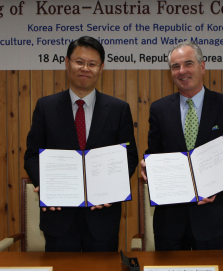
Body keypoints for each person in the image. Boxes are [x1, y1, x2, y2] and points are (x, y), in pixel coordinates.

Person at [24, 36, 138, 252]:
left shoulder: (118, 109)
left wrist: (113, 189)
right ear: (67, 63)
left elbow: (129, 157)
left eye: (92, 64)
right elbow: (32, 155)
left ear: (101, 67)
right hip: (59, 217)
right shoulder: (45, 107)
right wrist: (46, 185)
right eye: (79, 62)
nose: (85, 68)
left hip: (102, 217)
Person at [140, 41, 223, 251]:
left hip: (213, 221)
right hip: (170, 223)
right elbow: (154, 153)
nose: (182, 71)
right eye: (175, 66)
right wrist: (148, 165)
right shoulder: (159, 109)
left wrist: (217, 184)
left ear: (202, 66)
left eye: (188, 64)